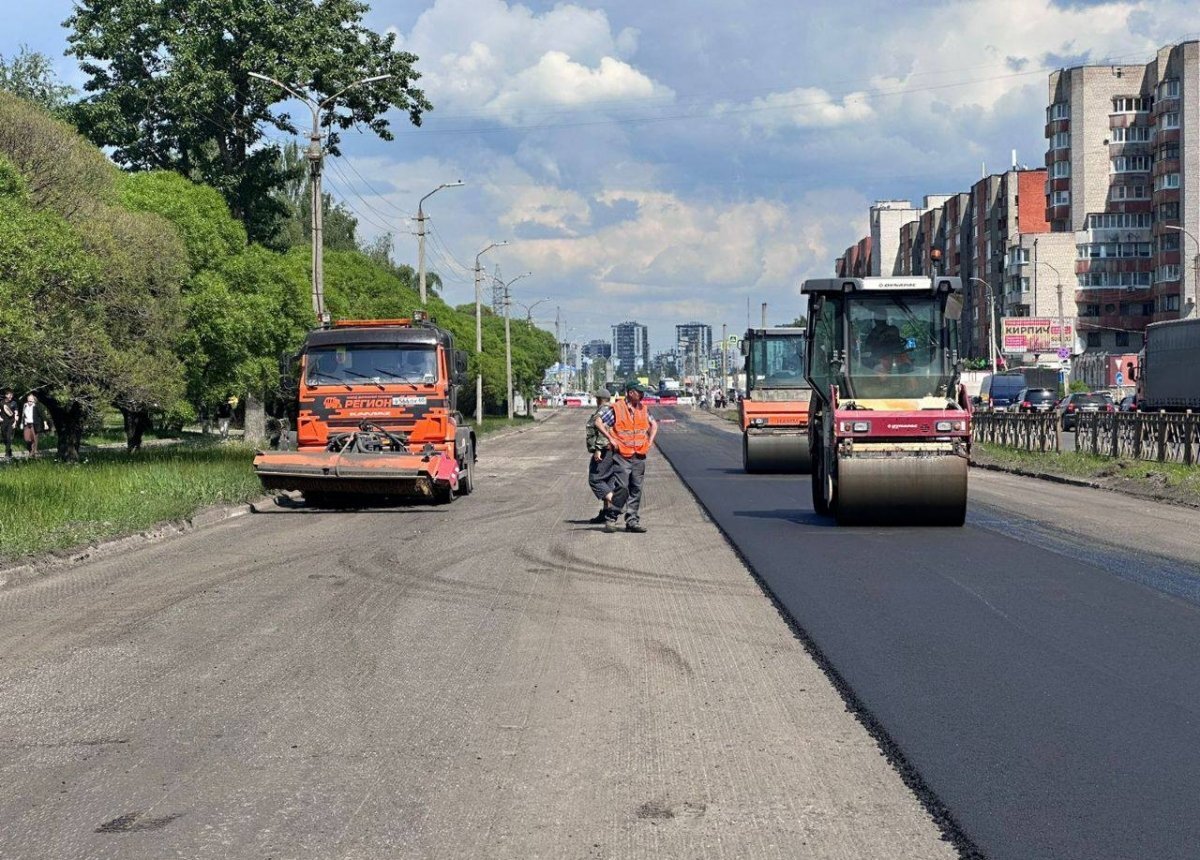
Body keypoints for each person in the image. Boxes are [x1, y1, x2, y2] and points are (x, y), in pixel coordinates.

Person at [595, 381, 659, 534]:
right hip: (622, 454)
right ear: (631, 393)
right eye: (639, 392)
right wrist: (610, 439)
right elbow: (598, 422)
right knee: (622, 487)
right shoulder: (617, 408)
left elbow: (654, 424)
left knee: (636, 487)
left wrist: (650, 441)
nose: (642, 395)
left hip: (639, 454)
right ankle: (611, 517)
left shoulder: (643, 409)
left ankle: (632, 521)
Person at [585, 388, 616, 524]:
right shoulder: (611, 408)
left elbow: (604, 429)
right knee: (608, 480)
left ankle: (616, 504)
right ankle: (606, 513)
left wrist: (598, 448)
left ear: (599, 399)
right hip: (610, 449)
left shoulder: (604, 410)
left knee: (595, 479)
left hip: (605, 449)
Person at [20, 393, 48, 458]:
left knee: (34, 439)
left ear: (34, 400)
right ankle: (31, 451)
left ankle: (32, 453)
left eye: (31, 401)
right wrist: (21, 422)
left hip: (34, 424)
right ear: (27, 400)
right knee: (27, 439)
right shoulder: (25, 405)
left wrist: (45, 424)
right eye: (29, 401)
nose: (30, 402)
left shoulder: (37, 406)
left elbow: (43, 415)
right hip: (27, 424)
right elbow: (23, 415)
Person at [1, 390, 17, 458]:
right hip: (3, 422)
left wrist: (15, 422)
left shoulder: (14, 403)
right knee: (5, 438)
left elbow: (16, 413)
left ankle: (7, 453)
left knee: (8, 437)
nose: (11, 396)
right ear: (6, 395)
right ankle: (9, 450)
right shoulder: (1, 402)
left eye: (12, 395)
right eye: (9, 395)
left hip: (11, 422)